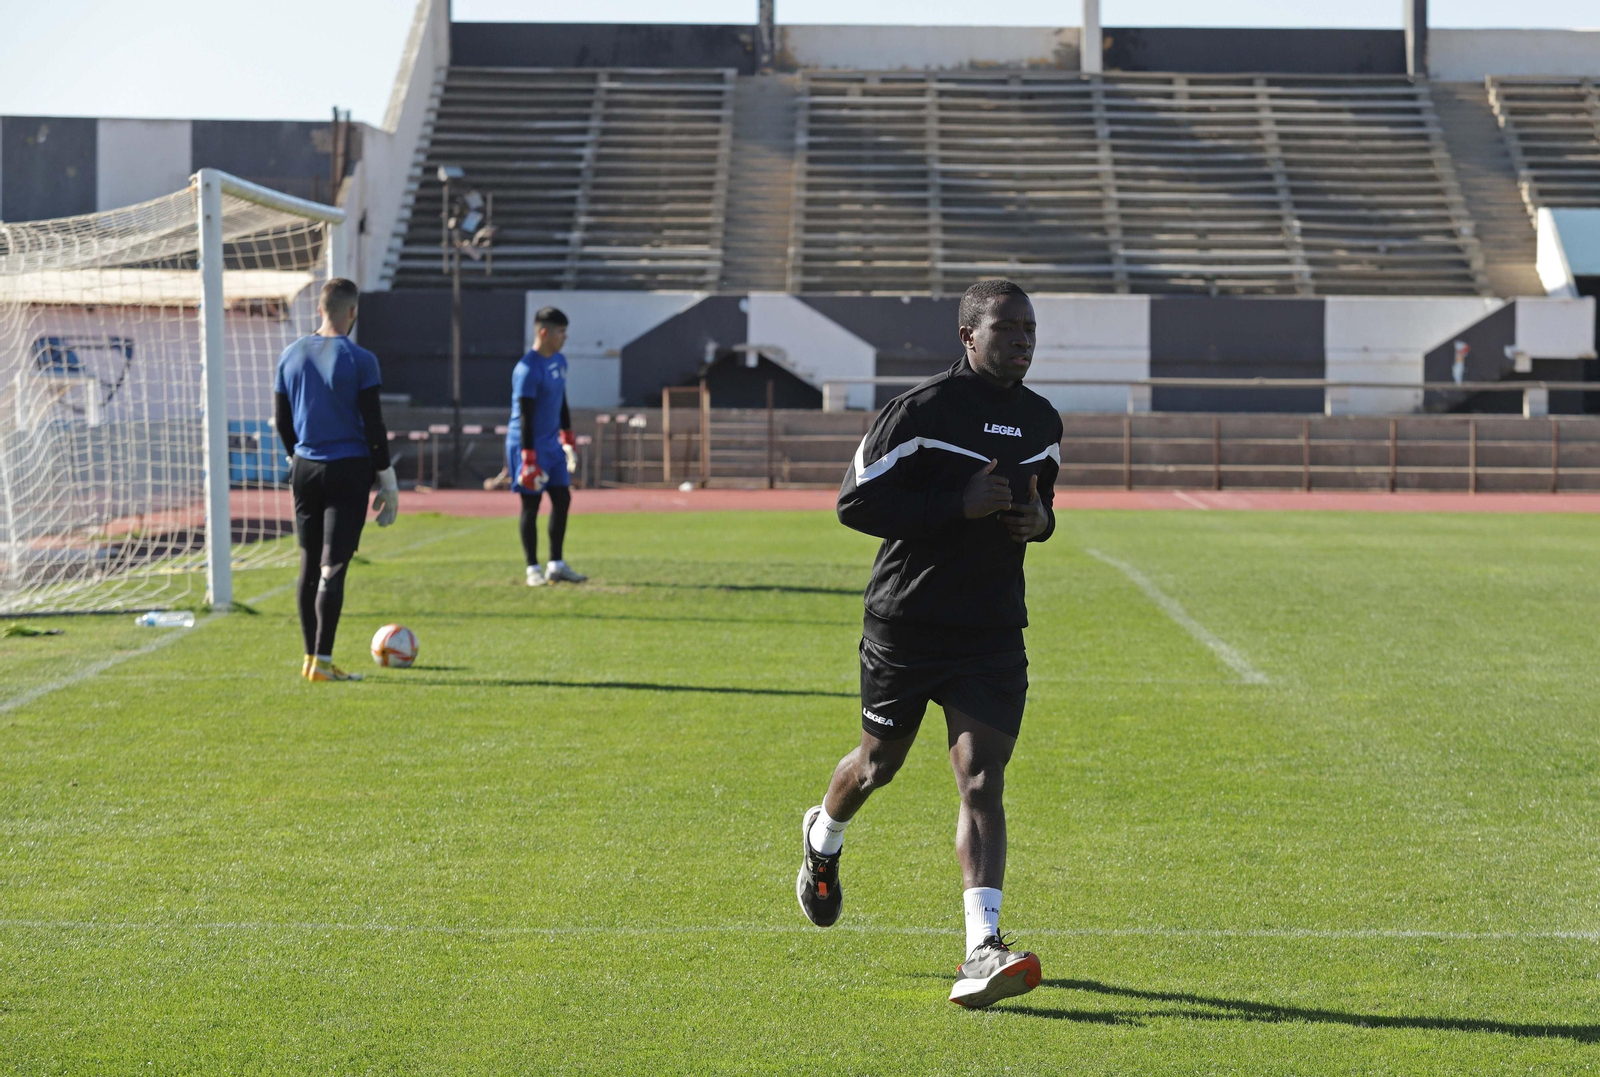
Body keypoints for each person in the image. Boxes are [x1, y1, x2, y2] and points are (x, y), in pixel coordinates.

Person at [795, 279, 1062, 1009]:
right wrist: (957, 505)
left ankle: (983, 946)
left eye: (1030, 328)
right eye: (1007, 327)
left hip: (992, 628)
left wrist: (1035, 522)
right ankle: (823, 836)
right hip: (908, 622)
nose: (1023, 339)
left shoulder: (1042, 420)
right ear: (969, 337)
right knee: (877, 764)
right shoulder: (917, 412)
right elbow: (855, 501)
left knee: (982, 777)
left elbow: (1045, 509)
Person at [273, 278, 399, 682]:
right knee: (333, 567)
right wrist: (387, 477)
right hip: (348, 468)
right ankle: (324, 664)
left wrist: (296, 455)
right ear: (353, 312)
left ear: (319, 310)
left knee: (309, 565)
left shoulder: (290, 355)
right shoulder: (361, 359)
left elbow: (281, 420)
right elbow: (373, 422)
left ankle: (311, 659)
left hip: (305, 468)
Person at [507, 306, 584, 586]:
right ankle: (532, 569)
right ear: (544, 333)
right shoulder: (527, 369)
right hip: (527, 444)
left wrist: (568, 436)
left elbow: (561, 401)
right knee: (531, 504)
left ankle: (556, 564)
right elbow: (525, 413)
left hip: (552, 444)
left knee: (563, 498)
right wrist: (527, 456)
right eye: (561, 332)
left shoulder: (560, 361)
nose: (565, 337)